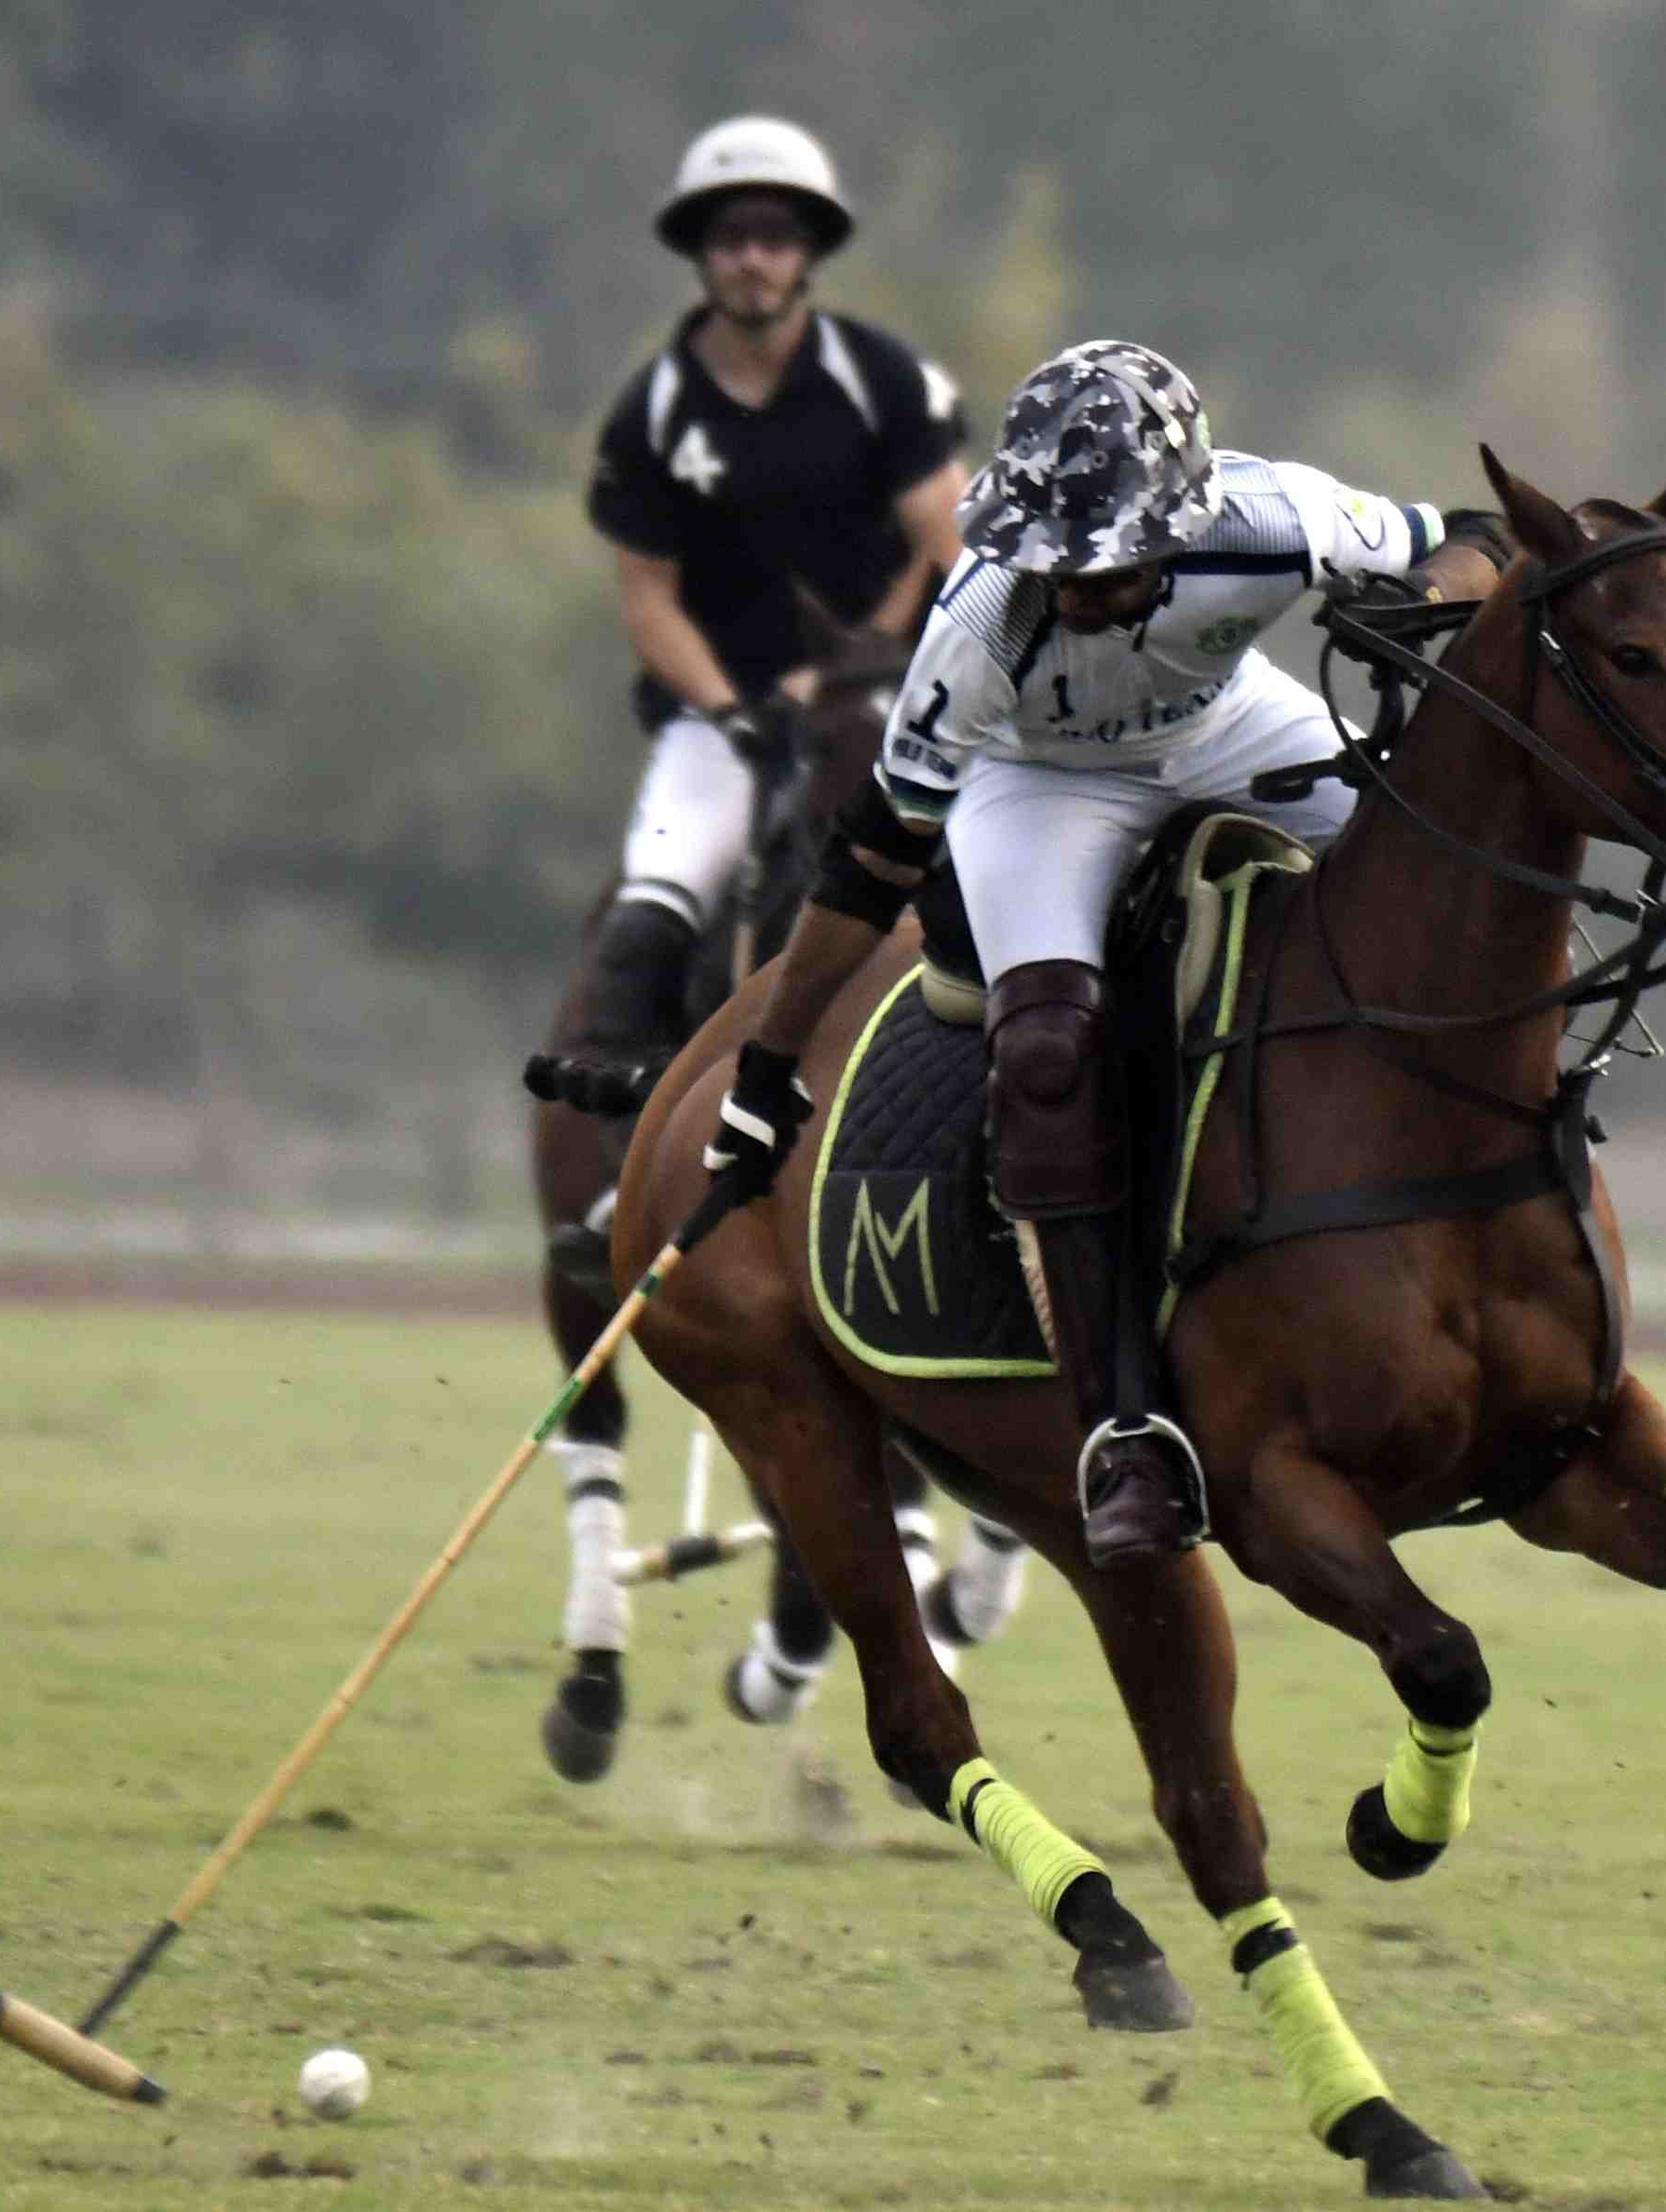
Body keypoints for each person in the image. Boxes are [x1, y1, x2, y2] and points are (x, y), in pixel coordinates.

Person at [697, 340, 1450, 1570]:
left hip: (1231, 729)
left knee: (1442, 865)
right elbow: (871, 858)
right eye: (1060, 562)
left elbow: (1464, 536)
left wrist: (1429, 598)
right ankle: (1120, 1430)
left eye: (1111, 563)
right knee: (1044, 1049)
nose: (1080, 587)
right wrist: (770, 1059)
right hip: (1041, 788)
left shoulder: (1275, 517)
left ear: (1183, 516)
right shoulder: (980, 624)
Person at [552, 115, 968, 1104]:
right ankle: (622, 1165)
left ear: (809, 253)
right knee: (653, 909)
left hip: (903, 702)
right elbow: (647, 602)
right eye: (729, 237)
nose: (751, 259)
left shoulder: (880, 380)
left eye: (775, 236)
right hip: (725, 722)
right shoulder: (653, 411)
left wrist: (858, 659)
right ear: (700, 254)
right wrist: (735, 708)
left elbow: (947, 543)